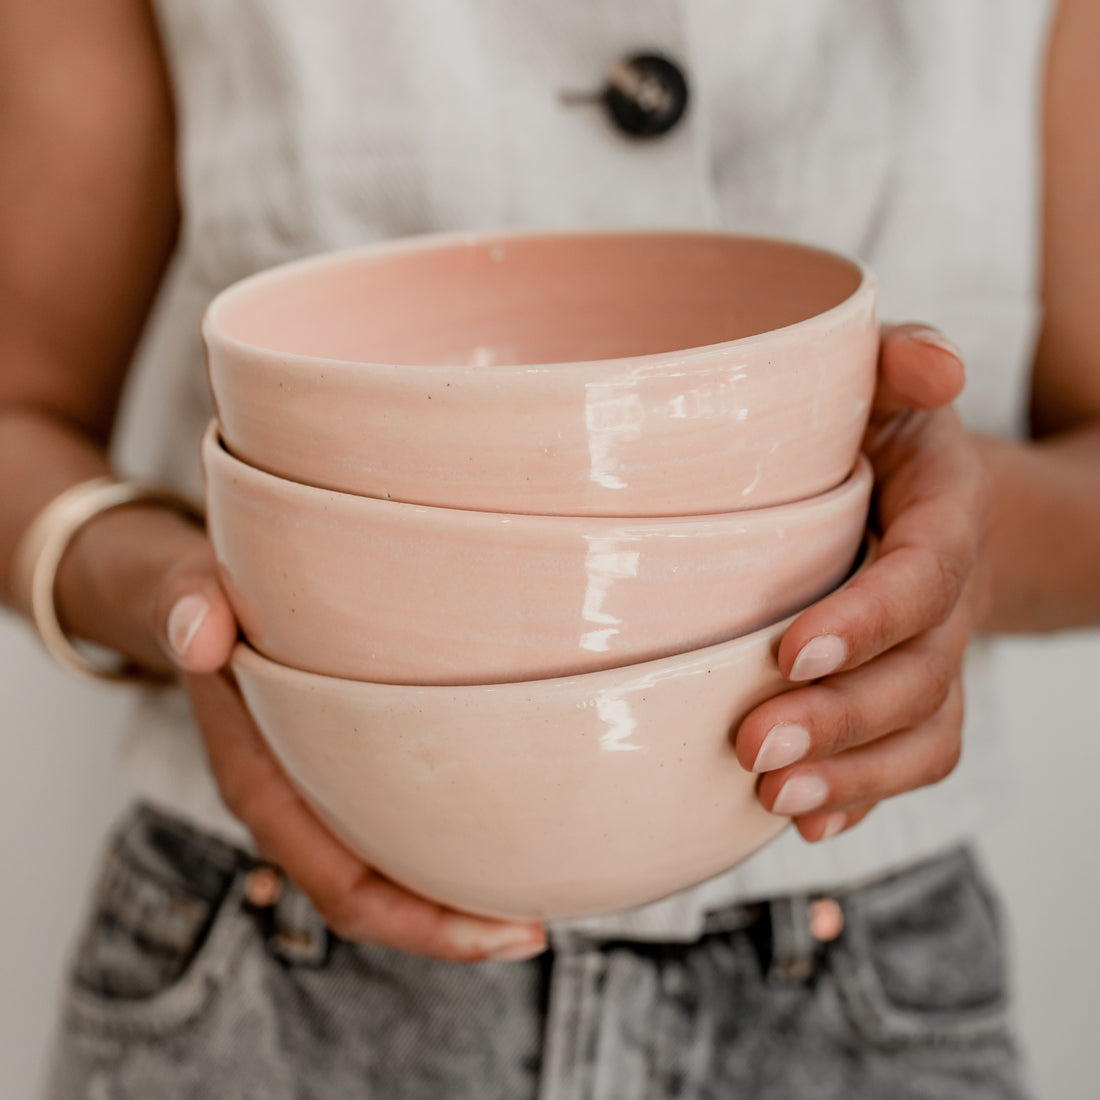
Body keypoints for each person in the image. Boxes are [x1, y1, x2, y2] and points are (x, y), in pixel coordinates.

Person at [2, 0, 1097, 1096]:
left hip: (858, 993)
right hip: (263, 979)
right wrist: (168, 596)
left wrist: (959, 548)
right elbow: (21, 410)